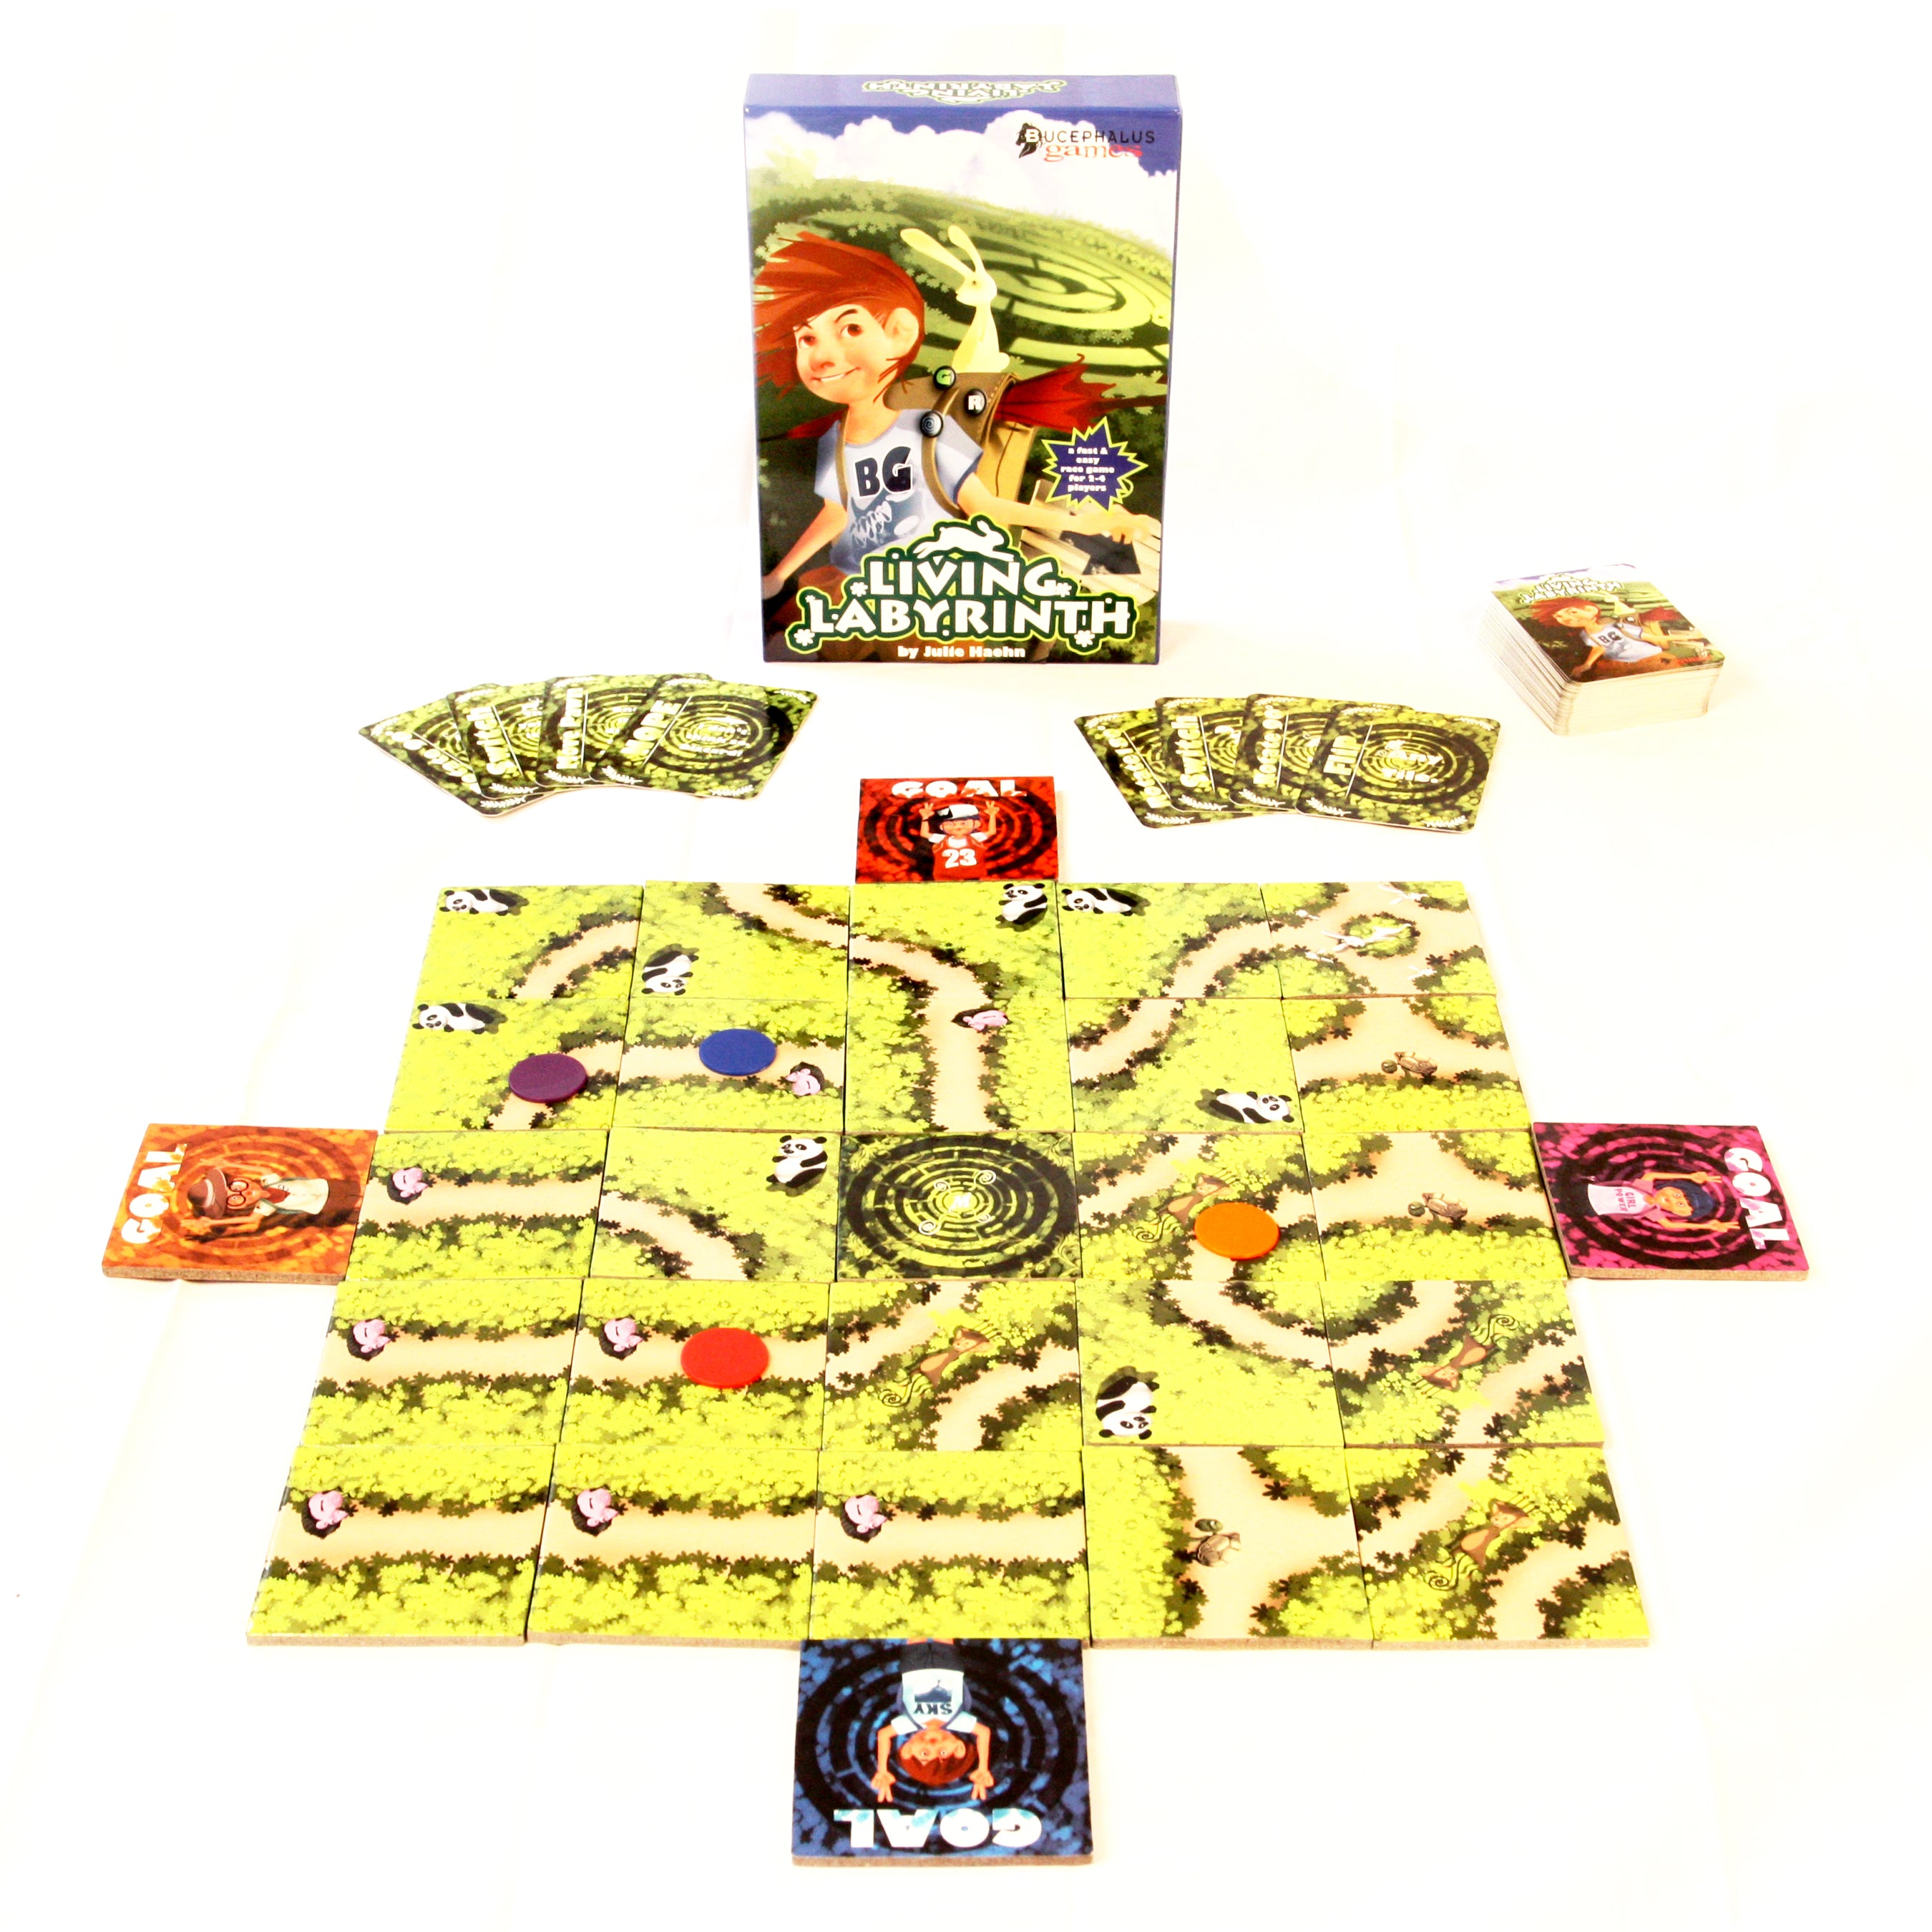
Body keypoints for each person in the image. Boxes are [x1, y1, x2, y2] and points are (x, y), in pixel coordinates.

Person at [754, 233, 1153, 608]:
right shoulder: (835, 439)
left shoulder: (930, 429)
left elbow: (983, 506)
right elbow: (837, 513)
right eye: (807, 338)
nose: (822, 357)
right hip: (853, 586)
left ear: (899, 333)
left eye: (851, 328)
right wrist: (779, 575)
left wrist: (1082, 525)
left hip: (925, 593)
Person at [869, 1640, 995, 1804]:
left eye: (925, 1754)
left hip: (913, 1669)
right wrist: (983, 1768)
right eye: (943, 1753)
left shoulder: (911, 1722)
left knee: (916, 1636)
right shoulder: (957, 1720)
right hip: (949, 1669)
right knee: (944, 1635)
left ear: (907, 1750)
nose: (933, 1745)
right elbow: (984, 1732)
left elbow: (884, 1735)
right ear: (959, 1748)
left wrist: (882, 1770)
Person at [1531, 595, 1712, 682]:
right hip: (1622, 666)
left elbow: (1650, 636)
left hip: (1654, 659)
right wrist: (1587, 665)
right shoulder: (1586, 636)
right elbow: (1599, 648)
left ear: (1591, 610)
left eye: (1572, 612)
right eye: (1559, 617)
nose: (1568, 619)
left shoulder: (1617, 626)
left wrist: (1691, 636)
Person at [1584, 1169, 1736, 1232]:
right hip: (1587, 1191)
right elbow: (1652, 1175)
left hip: (1592, 1208)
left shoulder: (1652, 1212)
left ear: (1681, 1213)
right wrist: (1688, 1176)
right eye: (1677, 1194)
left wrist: (1706, 1226)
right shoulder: (1644, 1187)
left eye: (1681, 1204)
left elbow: (1669, 1225)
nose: (1671, 1199)